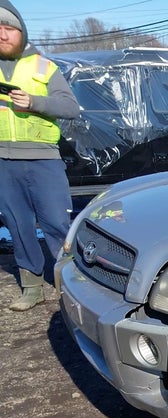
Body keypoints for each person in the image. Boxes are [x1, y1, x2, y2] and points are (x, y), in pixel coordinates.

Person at [0, 0, 79, 311]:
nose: (2, 35)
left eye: (9, 29)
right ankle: (32, 287)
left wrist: (33, 101)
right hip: (3, 163)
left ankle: (71, 284)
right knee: (17, 223)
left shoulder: (44, 66)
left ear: (21, 32)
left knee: (57, 223)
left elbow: (71, 108)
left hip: (43, 160)